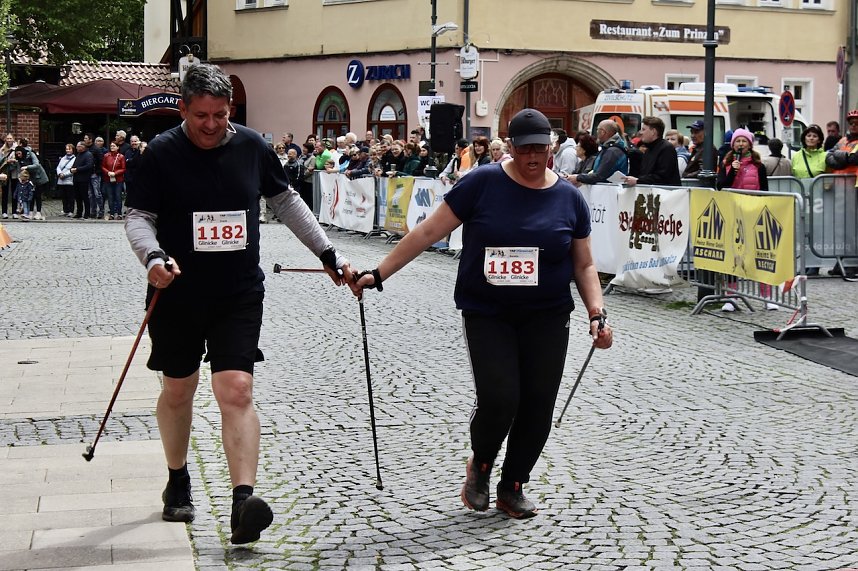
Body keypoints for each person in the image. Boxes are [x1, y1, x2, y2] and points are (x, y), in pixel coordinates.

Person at [124, 63, 355, 544]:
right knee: (179, 390)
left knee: (236, 390)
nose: (211, 125)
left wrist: (328, 253)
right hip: (177, 292)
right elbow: (139, 217)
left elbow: (286, 201)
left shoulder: (251, 146)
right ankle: (178, 478)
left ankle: (241, 503)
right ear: (183, 108)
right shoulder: (161, 154)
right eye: (201, 115)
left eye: (221, 115)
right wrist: (153, 257)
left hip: (238, 293)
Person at [352, 108, 613, 519]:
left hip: (547, 315)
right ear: (510, 148)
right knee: (500, 396)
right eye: (525, 149)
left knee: (538, 404)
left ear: (552, 149)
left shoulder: (568, 197)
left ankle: (513, 484)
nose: (533, 158)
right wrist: (378, 274)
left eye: (541, 150)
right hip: (487, 310)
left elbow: (583, 264)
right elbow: (427, 231)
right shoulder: (482, 182)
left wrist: (595, 312)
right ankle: (482, 464)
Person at [791, 124, 827, 276]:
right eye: (808, 135)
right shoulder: (797, 156)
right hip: (801, 198)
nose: (811, 138)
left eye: (814, 136)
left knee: (816, 231)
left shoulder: (824, 156)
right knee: (803, 232)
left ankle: (815, 264)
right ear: (804, 138)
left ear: (819, 140)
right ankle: (805, 263)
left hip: (819, 200)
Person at [624, 116, 681, 186]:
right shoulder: (649, 149)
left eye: (643, 129)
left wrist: (638, 180)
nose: (641, 132)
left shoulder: (667, 148)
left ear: (653, 132)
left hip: (666, 193)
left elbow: (663, 176)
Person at [567, 120, 628, 186]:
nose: (596, 133)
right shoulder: (608, 149)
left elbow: (600, 176)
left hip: (609, 192)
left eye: (597, 130)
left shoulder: (612, 151)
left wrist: (578, 177)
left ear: (603, 132)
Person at [102, 141, 127, 220]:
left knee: (118, 196)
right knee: (110, 197)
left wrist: (115, 173)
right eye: (111, 146)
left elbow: (123, 168)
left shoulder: (121, 157)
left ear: (118, 147)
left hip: (118, 179)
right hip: (108, 178)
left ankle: (119, 213)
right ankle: (112, 213)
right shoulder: (106, 156)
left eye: (114, 146)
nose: (112, 147)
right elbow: (103, 166)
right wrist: (108, 172)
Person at [70, 141, 94, 219]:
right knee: (77, 197)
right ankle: (79, 212)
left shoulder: (88, 155)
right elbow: (75, 164)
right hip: (76, 178)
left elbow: (89, 166)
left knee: (85, 196)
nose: (77, 148)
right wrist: (72, 169)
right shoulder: (78, 155)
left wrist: (77, 169)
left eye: (78, 146)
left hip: (84, 178)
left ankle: (87, 213)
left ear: (83, 147)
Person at [56, 143, 76, 217]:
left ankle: (71, 210)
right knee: (63, 197)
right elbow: (58, 167)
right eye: (67, 149)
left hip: (69, 180)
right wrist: (59, 173)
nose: (68, 150)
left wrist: (64, 175)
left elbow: (72, 170)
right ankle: (65, 210)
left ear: (73, 150)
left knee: (70, 196)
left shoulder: (74, 159)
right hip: (61, 180)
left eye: (69, 149)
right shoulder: (63, 158)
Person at [0, 133, 17, 219]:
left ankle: (14, 212)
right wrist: (7, 161)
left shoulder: (16, 148)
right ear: (5, 140)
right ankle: (4, 212)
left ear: (13, 139)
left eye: (11, 138)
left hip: (14, 172)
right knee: (5, 192)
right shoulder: (2, 149)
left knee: (14, 192)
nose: (9, 140)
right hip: (5, 171)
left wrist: (14, 160)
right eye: (8, 138)